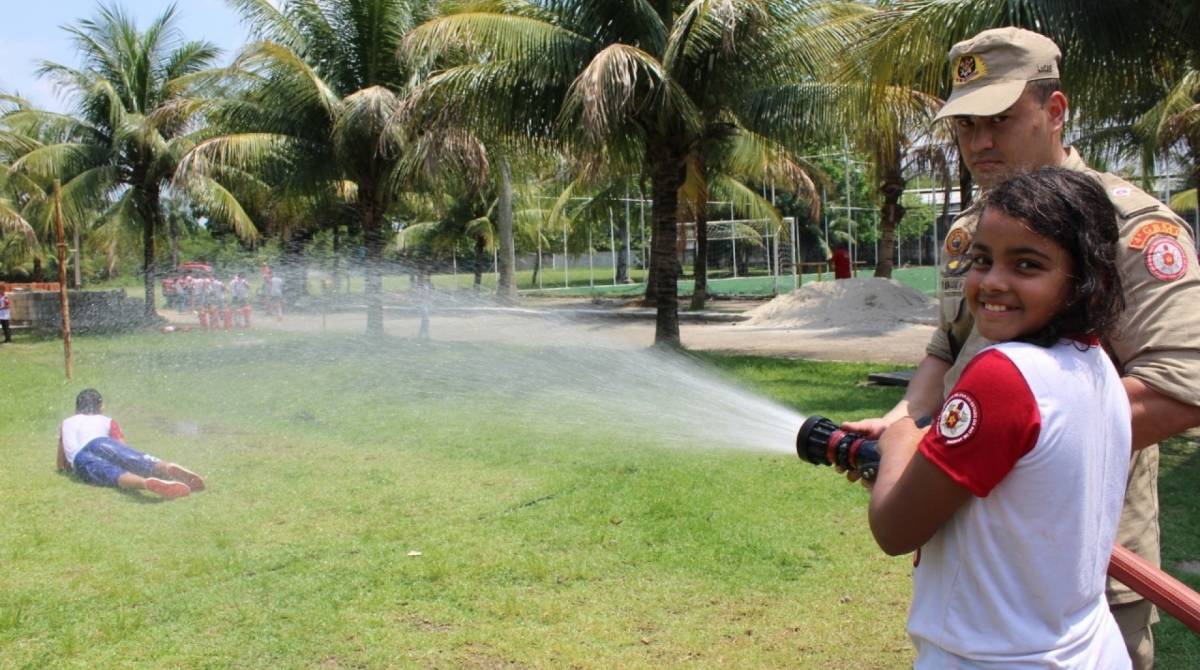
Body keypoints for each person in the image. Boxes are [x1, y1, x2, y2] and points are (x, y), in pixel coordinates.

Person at [844, 27, 1200, 668]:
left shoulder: (1130, 227)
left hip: (1083, 565)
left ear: (1055, 111)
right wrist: (906, 426)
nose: (979, 143)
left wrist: (998, 444)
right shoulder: (970, 231)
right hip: (970, 546)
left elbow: (1184, 384)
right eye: (965, 126)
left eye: (1000, 120)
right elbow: (944, 349)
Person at [870, 168, 1131, 667]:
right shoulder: (1095, 363)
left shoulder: (1003, 376)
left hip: (992, 656)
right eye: (981, 259)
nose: (992, 282)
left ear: (1084, 277)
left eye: (1027, 265)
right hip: (1086, 647)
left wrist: (900, 437)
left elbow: (895, 530)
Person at [57, 389, 206, 500]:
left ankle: (144, 483)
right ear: (100, 406)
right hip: (101, 441)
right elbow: (123, 449)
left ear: (76, 407)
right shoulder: (106, 420)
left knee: (113, 474)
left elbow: (61, 462)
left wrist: (66, 469)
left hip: (79, 458)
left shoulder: (66, 423)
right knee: (137, 458)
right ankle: (166, 467)